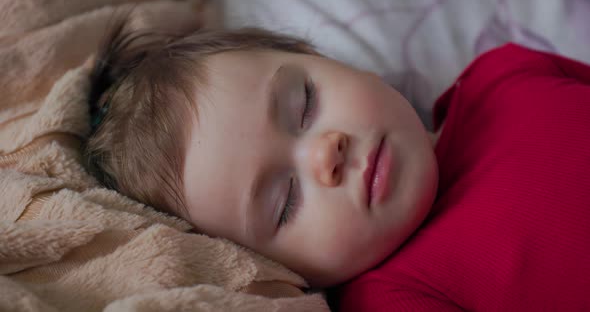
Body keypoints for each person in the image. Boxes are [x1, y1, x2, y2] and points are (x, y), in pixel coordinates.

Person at [83, 17, 590, 311]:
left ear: (328, 58)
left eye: (303, 103)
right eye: (286, 203)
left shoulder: (502, 77)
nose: (326, 153)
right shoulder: (392, 295)